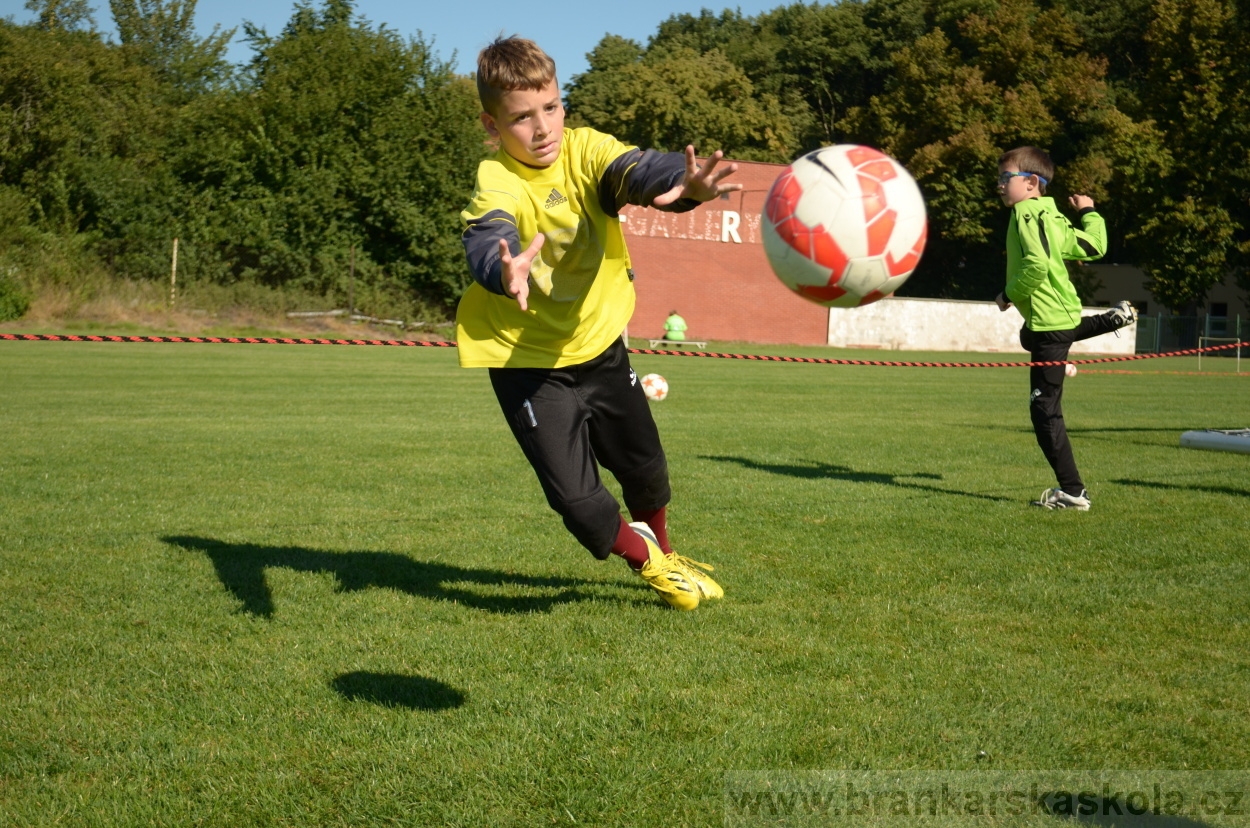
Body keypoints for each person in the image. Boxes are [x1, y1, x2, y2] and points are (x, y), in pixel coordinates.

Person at [455, 36, 741, 609]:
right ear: (492, 124)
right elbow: (489, 230)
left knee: (647, 471)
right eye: (520, 118)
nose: (542, 129)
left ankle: (664, 552)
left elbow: (634, 169)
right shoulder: (499, 178)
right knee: (583, 508)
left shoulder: (586, 150)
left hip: (601, 347)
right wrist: (502, 269)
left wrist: (682, 187)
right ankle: (650, 562)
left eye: (551, 108)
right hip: (527, 363)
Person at [993, 146, 1136, 511]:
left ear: (1030, 183)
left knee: (1044, 413)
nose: (999, 185)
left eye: (1004, 178)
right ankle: (1113, 318)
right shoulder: (1052, 217)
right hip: (1058, 318)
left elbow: (1037, 265)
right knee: (1034, 336)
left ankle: (1073, 491)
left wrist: (1008, 294)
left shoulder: (1026, 213)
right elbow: (1095, 246)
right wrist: (1088, 211)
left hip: (1050, 324)